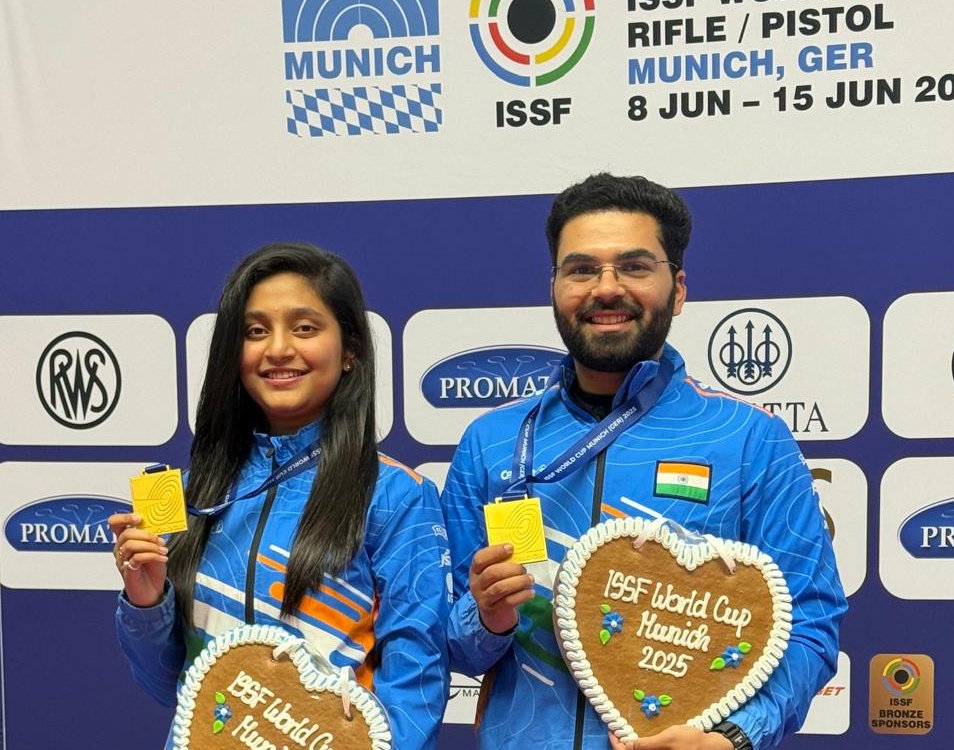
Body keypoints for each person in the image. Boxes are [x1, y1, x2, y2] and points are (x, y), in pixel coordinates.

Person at [442, 174, 847, 750]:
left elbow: (809, 623)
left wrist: (734, 737)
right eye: (581, 270)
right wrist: (486, 619)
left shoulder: (750, 440)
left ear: (678, 289)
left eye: (634, 267)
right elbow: (453, 647)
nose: (606, 289)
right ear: (554, 287)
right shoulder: (493, 442)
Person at [110, 243, 449, 750]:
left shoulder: (397, 495)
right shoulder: (184, 493)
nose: (278, 349)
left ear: (350, 350)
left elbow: (415, 684)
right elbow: (168, 687)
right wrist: (146, 599)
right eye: (255, 331)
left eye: (305, 328)